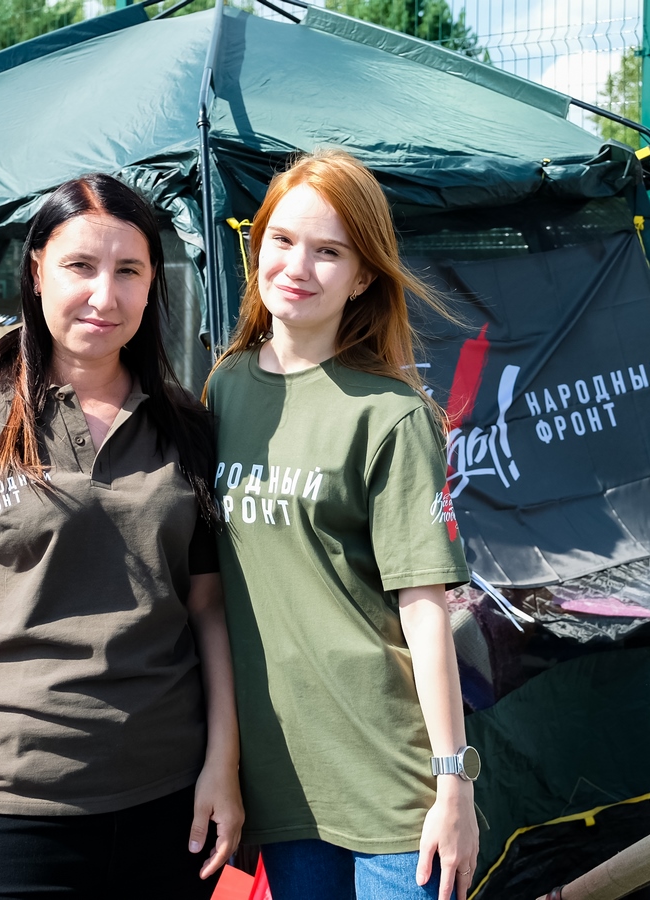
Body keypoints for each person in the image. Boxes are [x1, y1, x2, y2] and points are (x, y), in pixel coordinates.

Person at [0, 174, 242, 900]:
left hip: (169, 803)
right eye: (81, 266)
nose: (105, 295)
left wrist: (222, 768)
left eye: (129, 270)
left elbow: (210, 610)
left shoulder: (189, 429)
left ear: (153, 284)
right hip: (2, 806)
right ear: (38, 269)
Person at [206, 150, 478, 900]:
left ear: (362, 277)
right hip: (282, 782)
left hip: (393, 785)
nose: (298, 266)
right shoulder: (224, 388)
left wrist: (453, 782)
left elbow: (425, 609)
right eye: (283, 240)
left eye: (329, 252)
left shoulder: (392, 414)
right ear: (257, 246)